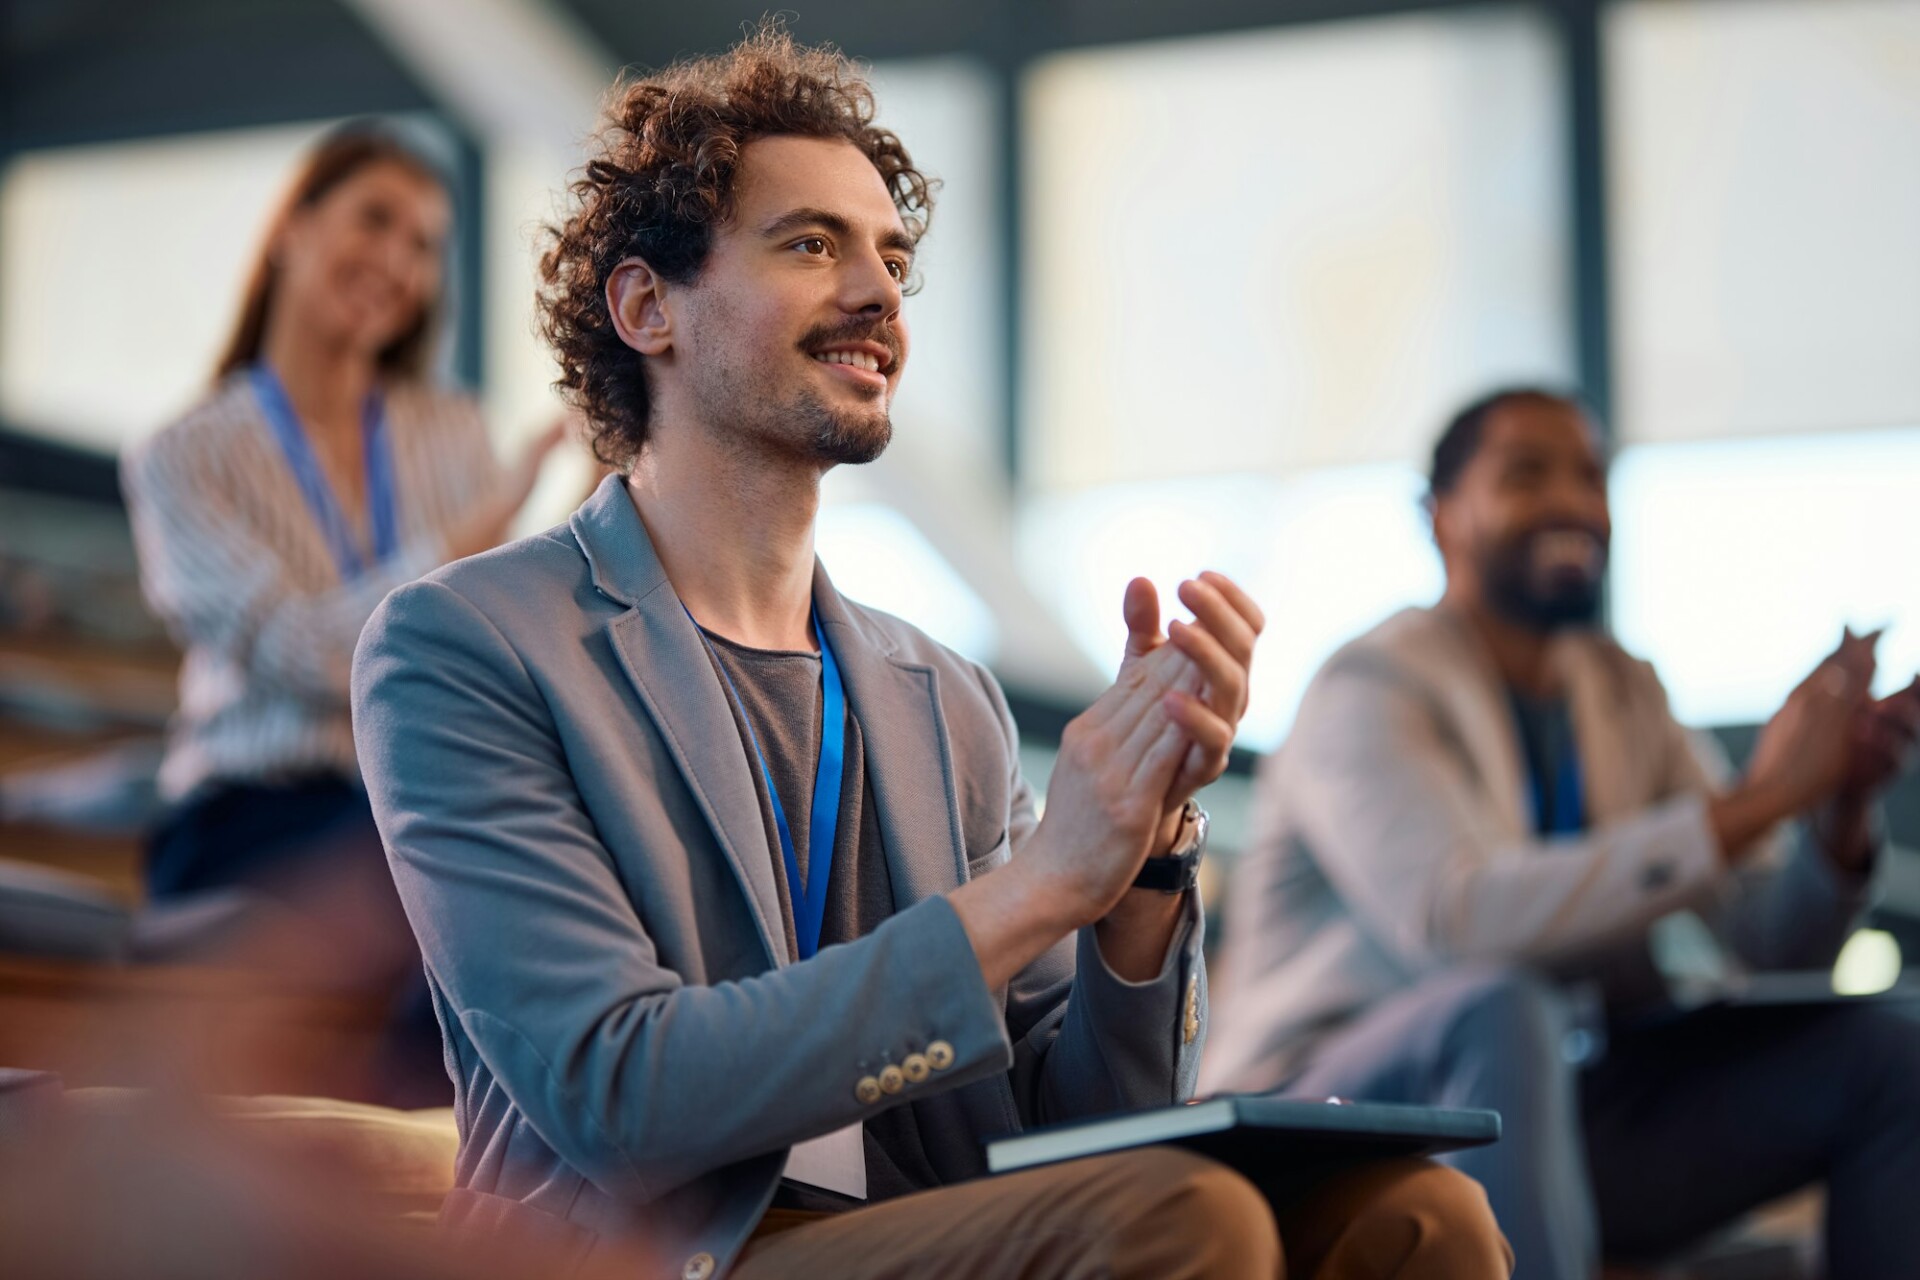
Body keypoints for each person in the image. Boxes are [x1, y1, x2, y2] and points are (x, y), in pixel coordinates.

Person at [350, 28, 1511, 1280]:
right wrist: (1037, 888)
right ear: (647, 307)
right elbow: (619, 1097)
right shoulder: (464, 647)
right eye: (810, 243)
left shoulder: (944, 694)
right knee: (1185, 1220)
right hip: (654, 1254)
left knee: (1422, 1213)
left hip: (931, 1225)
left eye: (891, 256)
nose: (879, 293)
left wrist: (1136, 868)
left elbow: (1085, 1133)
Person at [1205, 386, 1920, 1280]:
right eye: (1527, 474)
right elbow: (1460, 924)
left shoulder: (1625, 692)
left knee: (1892, 1053)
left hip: (1555, 1104)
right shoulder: (1368, 687)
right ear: (1441, 519)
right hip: (1333, 1107)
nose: (1574, 503)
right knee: (1504, 1005)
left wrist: (1836, 808)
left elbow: (1769, 943)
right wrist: (1764, 800)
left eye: (1591, 474)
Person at [122, 122, 566, 1100]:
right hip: (253, 809)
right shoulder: (182, 456)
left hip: (410, 803)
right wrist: (487, 518)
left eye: (424, 245)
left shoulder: (450, 432)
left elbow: (498, 643)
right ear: (293, 227)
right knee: (459, 875)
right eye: (377, 220)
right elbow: (314, 656)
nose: (400, 263)